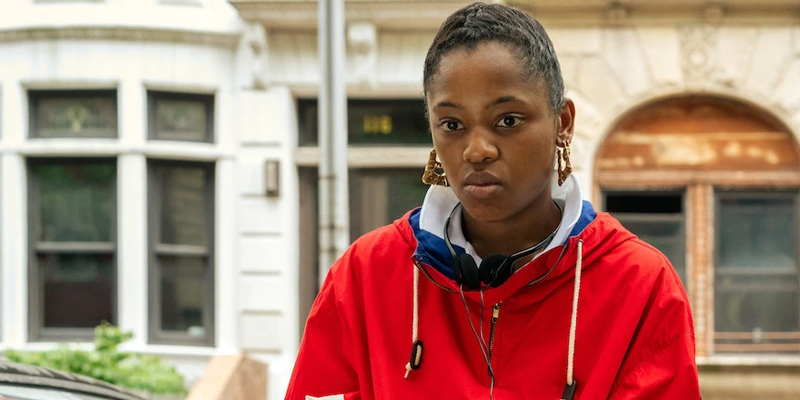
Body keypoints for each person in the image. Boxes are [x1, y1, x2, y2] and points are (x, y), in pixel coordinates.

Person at [285, 3, 701, 399]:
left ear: (563, 123)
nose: (477, 149)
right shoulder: (364, 277)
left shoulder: (641, 286)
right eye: (452, 124)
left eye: (507, 121)